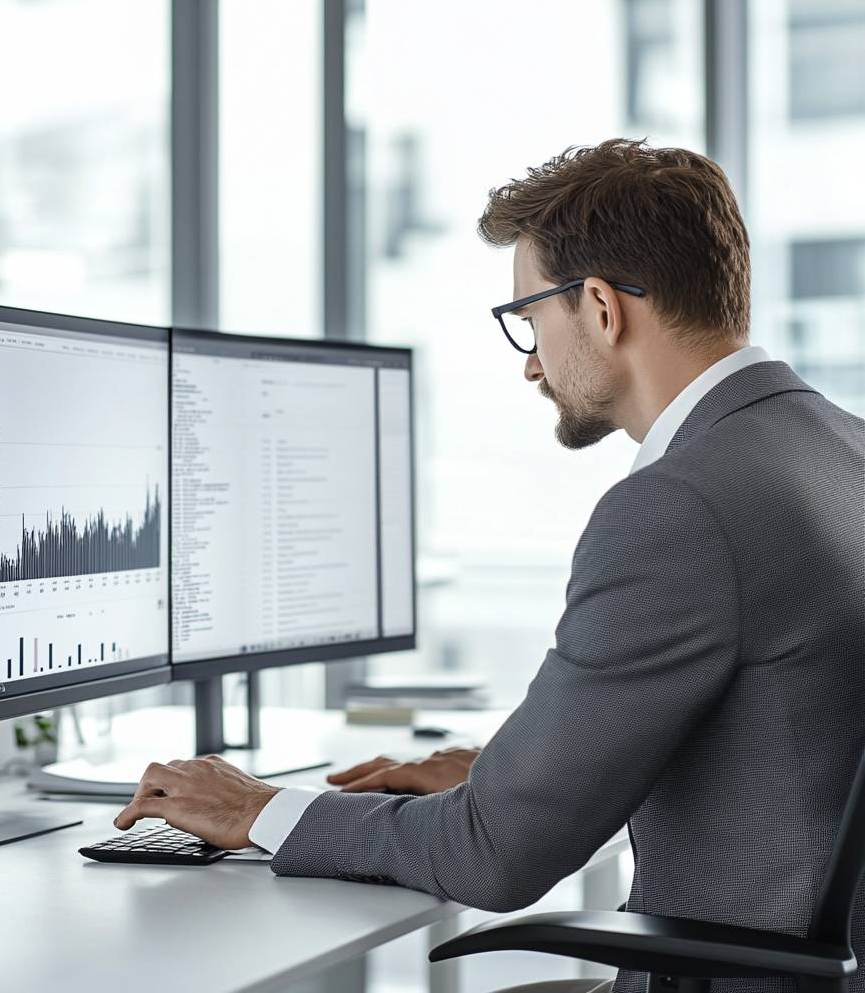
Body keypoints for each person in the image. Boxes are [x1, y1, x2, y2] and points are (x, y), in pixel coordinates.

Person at [113, 139, 865, 993]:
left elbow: (496, 858)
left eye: (530, 320)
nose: (531, 362)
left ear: (600, 307)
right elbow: (772, 739)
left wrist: (260, 811)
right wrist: (506, 774)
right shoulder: (841, 450)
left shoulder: (679, 506)